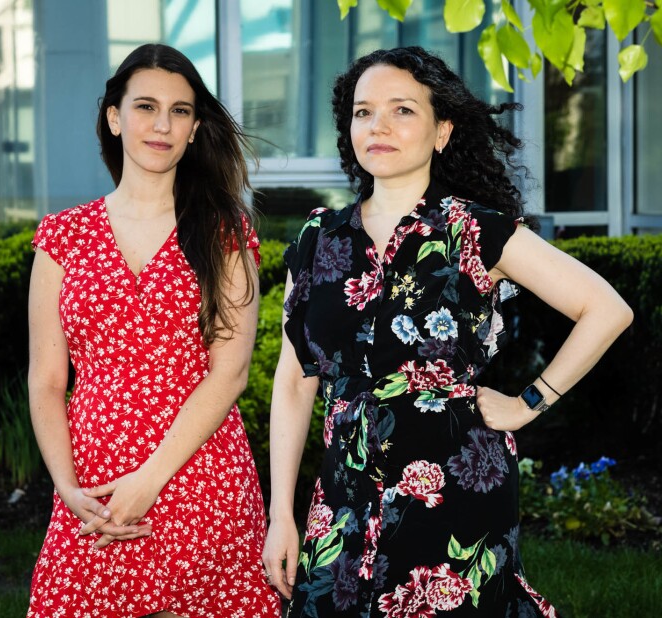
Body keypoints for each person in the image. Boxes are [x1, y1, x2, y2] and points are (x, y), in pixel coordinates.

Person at [262, 46, 633, 617]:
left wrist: (528, 402)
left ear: (442, 131)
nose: (379, 125)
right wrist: (280, 515)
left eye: (402, 110)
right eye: (364, 112)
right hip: (342, 491)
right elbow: (293, 382)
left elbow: (606, 309)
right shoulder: (317, 239)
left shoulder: (477, 231)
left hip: (452, 485)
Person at [27, 43, 280, 618]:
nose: (162, 125)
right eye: (145, 106)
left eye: (181, 111)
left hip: (200, 473)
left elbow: (230, 372)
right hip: (92, 487)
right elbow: (46, 379)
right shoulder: (62, 237)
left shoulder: (223, 232)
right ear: (114, 118)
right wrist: (67, 488)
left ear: (195, 129)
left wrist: (150, 479)